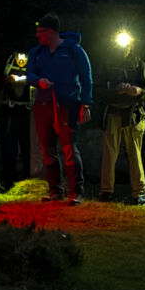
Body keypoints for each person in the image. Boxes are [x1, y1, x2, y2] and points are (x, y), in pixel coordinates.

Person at [26, 13, 92, 204]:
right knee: (47, 148)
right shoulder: (37, 52)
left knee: (68, 146)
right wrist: (39, 81)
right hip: (43, 104)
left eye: (41, 32)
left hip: (67, 105)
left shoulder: (74, 50)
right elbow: (29, 74)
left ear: (51, 32)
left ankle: (76, 191)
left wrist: (85, 104)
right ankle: (55, 190)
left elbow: (86, 77)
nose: (38, 36)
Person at [98, 32, 145, 206]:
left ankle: (139, 194)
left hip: (134, 115)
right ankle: (106, 192)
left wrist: (138, 92)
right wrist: (115, 90)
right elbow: (98, 89)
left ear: (131, 45)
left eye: (127, 44)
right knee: (109, 153)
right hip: (113, 114)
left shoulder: (139, 64)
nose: (124, 48)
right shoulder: (106, 64)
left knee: (135, 154)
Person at [0, 50, 34, 189]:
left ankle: (28, 178)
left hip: (28, 111)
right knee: (9, 146)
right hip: (11, 111)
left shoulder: (33, 60)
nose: (21, 60)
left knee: (28, 146)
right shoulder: (9, 62)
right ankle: (9, 180)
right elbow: (4, 78)